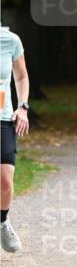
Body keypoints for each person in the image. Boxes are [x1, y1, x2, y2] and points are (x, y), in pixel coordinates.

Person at [0, 25, 30, 252]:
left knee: (5, 181)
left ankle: (2, 222)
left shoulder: (10, 40)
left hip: (3, 118)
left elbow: (21, 76)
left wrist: (22, 107)